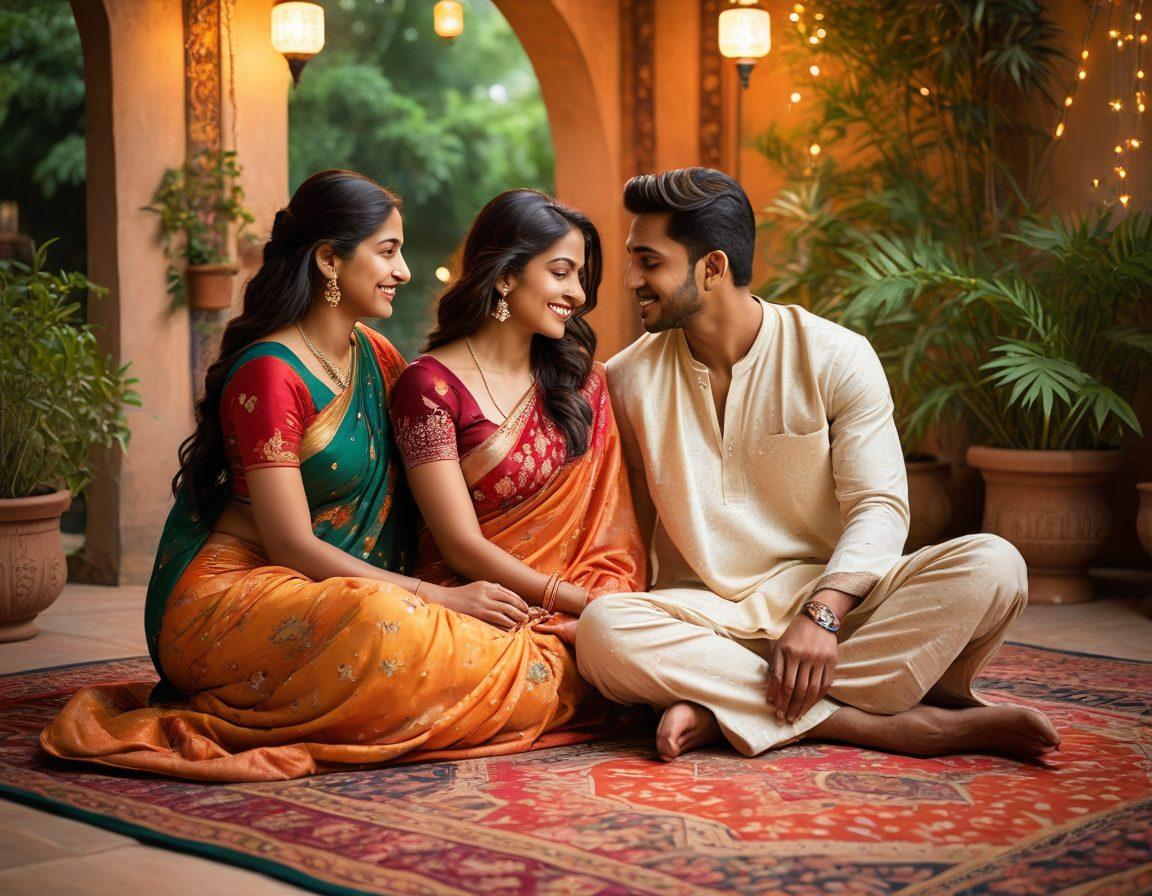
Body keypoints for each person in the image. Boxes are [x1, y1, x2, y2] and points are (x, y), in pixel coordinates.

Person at [41, 171, 599, 782]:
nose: (405, 271)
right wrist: (438, 594)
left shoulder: (377, 357)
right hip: (233, 593)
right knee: (384, 626)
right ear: (329, 260)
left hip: (334, 591)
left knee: (408, 625)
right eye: (387, 252)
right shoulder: (270, 373)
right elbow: (288, 545)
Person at [575, 167, 1061, 763]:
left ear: (713, 268)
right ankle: (875, 725)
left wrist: (823, 614)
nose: (631, 279)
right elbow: (623, 529)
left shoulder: (836, 355)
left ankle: (720, 703)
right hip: (708, 617)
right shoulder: (625, 381)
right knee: (604, 631)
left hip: (836, 608)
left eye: (649, 262)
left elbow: (879, 506)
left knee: (997, 564)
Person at [390, 189, 646, 650]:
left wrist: (599, 604)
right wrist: (583, 603)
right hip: (477, 607)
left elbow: (610, 535)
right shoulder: (428, 387)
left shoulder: (582, 384)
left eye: (580, 277)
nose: (578, 294)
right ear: (506, 275)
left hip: (586, 608)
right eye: (561, 273)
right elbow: (460, 546)